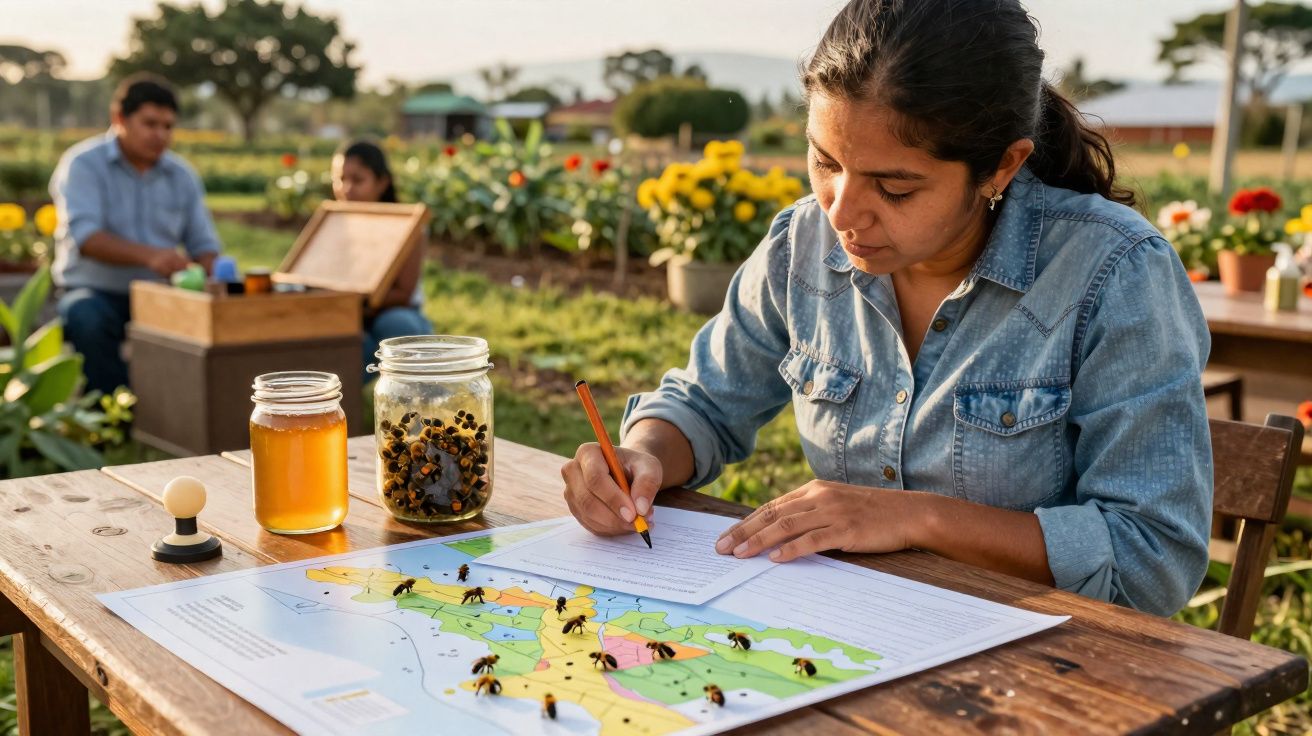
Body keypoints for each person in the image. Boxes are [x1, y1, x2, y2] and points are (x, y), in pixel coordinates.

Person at [560, 0, 1213, 616]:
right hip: (857, 632)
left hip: (1046, 667)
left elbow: (1154, 558)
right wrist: (641, 456)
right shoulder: (802, 244)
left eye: (894, 188)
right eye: (824, 162)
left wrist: (915, 518)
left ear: (1003, 168)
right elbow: (705, 403)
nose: (840, 212)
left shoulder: (1114, 272)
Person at [51, 73, 222, 395]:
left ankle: (179, 410)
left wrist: (212, 271)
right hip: (95, 291)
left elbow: (203, 244)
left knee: (213, 317)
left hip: (161, 293)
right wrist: (152, 256)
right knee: (86, 315)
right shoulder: (83, 165)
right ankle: (117, 414)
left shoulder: (182, 175)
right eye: (150, 123)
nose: (160, 135)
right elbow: (86, 239)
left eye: (168, 126)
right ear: (119, 119)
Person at [330, 140, 432, 378]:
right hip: (343, 313)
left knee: (398, 327)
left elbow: (403, 294)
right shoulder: (330, 226)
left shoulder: (407, 226)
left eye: (358, 180)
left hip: (393, 313)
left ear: (382, 182)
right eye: (340, 179)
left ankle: (414, 397)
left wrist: (355, 303)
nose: (346, 189)